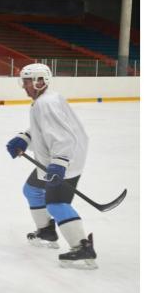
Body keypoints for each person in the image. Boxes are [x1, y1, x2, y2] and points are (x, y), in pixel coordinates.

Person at [6, 63, 96, 268]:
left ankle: (82, 247)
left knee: (56, 203)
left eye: (27, 81)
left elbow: (62, 137)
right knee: (31, 189)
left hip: (65, 160)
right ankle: (47, 231)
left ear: (40, 81)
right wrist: (24, 138)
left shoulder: (46, 103)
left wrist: (59, 164)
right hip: (57, 159)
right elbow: (43, 128)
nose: (24, 86)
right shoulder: (47, 100)